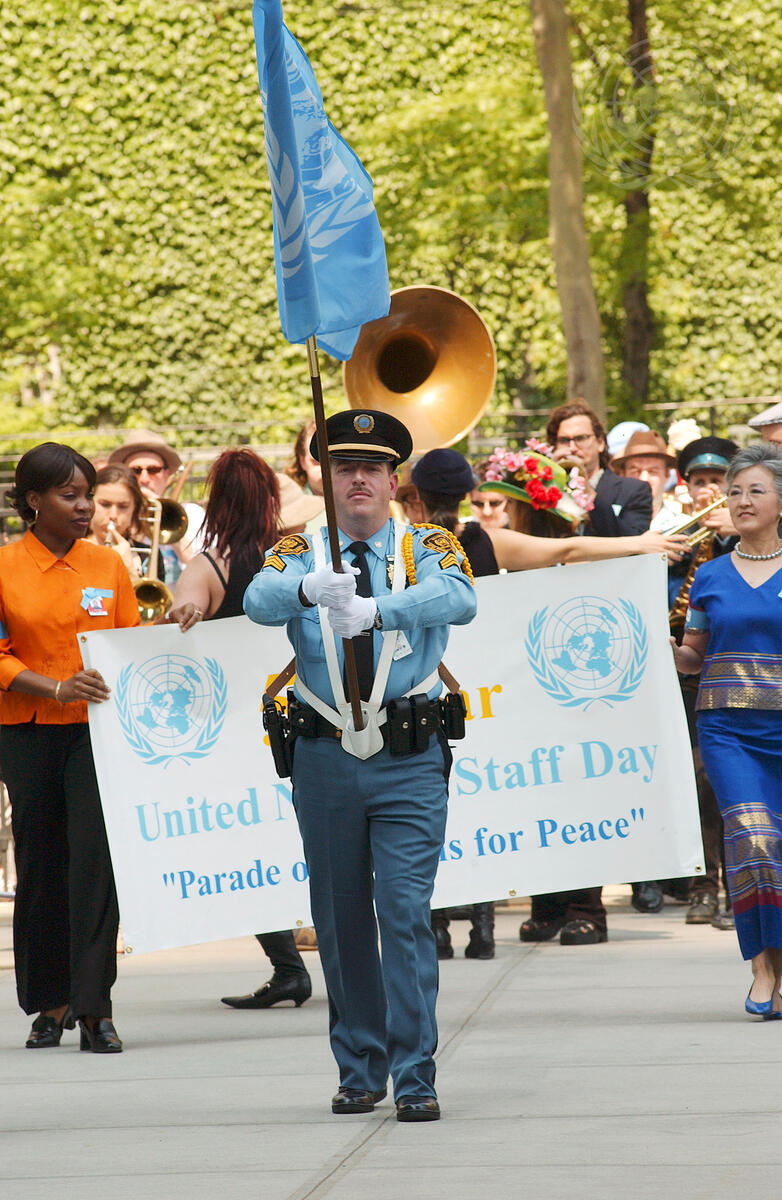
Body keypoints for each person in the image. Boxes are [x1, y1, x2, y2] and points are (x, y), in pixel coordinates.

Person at [244, 410, 476, 1123]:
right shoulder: (299, 549)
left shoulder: (426, 543)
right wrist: (309, 590)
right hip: (323, 756)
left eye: (372, 468)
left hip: (408, 757)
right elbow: (257, 599)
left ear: (393, 480)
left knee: (403, 912)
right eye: (344, 468)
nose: (358, 480)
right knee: (340, 917)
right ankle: (360, 1066)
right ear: (326, 479)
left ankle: (414, 1074)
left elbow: (460, 598)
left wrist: (379, 610)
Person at [476, 444, 687, 942]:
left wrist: (639, 545)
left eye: (505, 503)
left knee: (578, 796)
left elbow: (571, 557)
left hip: (573, 699)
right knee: (534, 799)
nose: (493, 512)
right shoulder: (499, 549)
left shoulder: (573, 556)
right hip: (520, 698)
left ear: (528, 510)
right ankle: (548, 904)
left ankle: (586, 907)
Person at [0, 443, 139, 1052]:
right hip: (25, 731)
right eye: (70, 496)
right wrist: (55, 687)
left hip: (95, 734)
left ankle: (94, 1007)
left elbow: (130, 644)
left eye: (88, 496)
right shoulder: (5, 566)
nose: (86, 507)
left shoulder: (107, 565)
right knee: (40, 864)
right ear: (34, 501)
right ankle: (48, 1001)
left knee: (94, 865)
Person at [166, 450, 318, 1008]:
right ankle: (344, 960)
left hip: (240, 732)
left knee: (247, 845)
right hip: (310, 718)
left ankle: (288, 967)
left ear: (217, 502)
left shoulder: (209, 567)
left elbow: (184, 612)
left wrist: (182, 614)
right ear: (271, 499)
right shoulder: (300, 558)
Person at [672, 443, 782, 1018]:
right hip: (727, 731)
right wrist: (662, 646)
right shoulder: (708, 575)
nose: (741, 500)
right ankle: (762, 970)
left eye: (755, 490)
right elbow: (694, 655)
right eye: (734, 491)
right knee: (753, 840)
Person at [108, 429, 203, 583]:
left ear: (167, 474)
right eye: (136, 471)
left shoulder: (192, 514)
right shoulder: (113, 514)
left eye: (153, 470)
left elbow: (201, 569)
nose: (144, 479)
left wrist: (167, 518)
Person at [546, 400, 652, 537]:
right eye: (564, 440)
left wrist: (589, 493)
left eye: (580, 438)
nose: (572, 448)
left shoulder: (634, 490)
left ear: (600, 443)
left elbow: (635, 542)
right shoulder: (546, 490)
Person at [612, 430, 681, 533]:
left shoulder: (683, 525)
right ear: (622, 475)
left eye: (653, 471)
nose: (644, 479)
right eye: (635, 471)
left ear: (667, 475)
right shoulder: (608, 521)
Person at [86, 464, 146, 580]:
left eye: (123, 507)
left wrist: (130, 572)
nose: (113, 515)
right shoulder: (67, 548)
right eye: (105, 504)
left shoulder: (147, 554)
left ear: (134, 509)